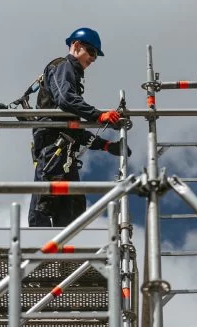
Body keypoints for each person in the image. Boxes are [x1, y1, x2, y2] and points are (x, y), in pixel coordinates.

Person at [28, 27, 130, 227]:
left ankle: (65, 255)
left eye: (95, 56)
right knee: (46, 201)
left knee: (72, 207)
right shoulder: (62, 66)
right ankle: (38, 252)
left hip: (64, 147)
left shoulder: (72, 77)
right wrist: (98, 115)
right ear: (76, 45)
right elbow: (65, 99)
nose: (92, 59)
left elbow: (74, 130)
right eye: (91, 52)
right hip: (53, 146)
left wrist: (106, 145)